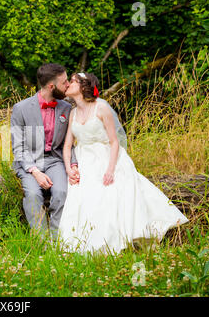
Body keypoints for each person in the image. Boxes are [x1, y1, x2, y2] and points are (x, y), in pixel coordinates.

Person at [57, 72, 189, 254]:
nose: (68, 84)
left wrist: (110, 169)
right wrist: (69, 169)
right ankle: (84, 241)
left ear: (83, 86)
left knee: (111, 189)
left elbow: (114, 141)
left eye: (72, 81)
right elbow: (67, 146)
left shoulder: (101, 108)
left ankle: (120, 237)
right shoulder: (72, 113)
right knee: (81, 194)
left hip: (107, 155)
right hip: (83, 158)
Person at [10, 63, 80, 241]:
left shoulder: (66, 108)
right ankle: (42, 242)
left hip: (55, 160)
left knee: (62, 193)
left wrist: (73, 166)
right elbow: (18, 147)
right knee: (33, 194)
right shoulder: (21, 108)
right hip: (29, 162)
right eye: (64, 82)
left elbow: (68, 144)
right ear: (51, 86)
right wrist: (35, 172)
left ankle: (58, 240)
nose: (67, 86)